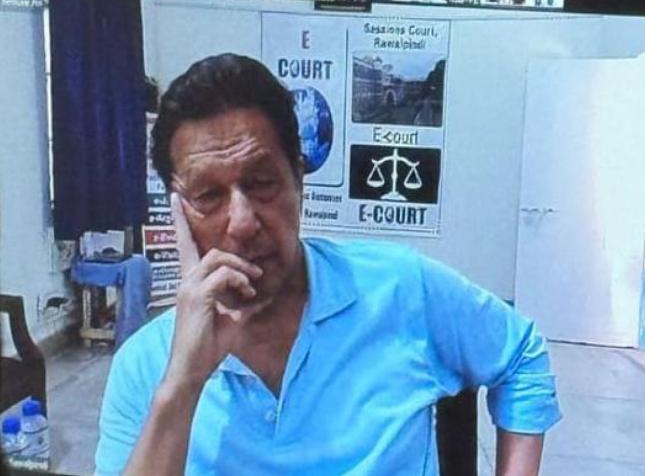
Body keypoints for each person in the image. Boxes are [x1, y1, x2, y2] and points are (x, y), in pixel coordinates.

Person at [95, 54, 561, 475]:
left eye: (262, 183)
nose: (242, 222)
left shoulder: (396, 288)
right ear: (177, 210)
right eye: (208, 196)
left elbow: (521, 354)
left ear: (299, 179)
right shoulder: (146, 366)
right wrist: (183, 383)